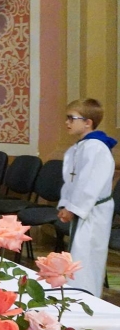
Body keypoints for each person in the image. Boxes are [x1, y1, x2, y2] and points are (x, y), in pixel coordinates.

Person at [57, 99, 117, 297]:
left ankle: (87, 298)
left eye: (71, 118)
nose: (67, 122)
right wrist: (66, 204)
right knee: (78, 255)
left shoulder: (96, 148)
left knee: (88, 257)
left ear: (88, 122)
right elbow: (71, 180)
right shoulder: (80, 147)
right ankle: (74, 296)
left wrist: (73, 208)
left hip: (93, 211)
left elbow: (90, 184)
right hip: (83, 209)